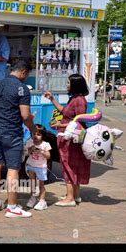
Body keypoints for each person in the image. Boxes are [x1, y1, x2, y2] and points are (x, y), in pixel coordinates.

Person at [0, 60, 38, 218]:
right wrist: (33, 128)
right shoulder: (22, 88)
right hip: (11, 132)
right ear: (23, 72)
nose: (26, 77)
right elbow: (24, 116)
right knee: (13, 169)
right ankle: (12, 207)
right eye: (27, 75)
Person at [45, 74, 90, 207]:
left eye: (69, 82)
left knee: (68, 165)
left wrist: (59, 125)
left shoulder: (79, 100)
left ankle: (70, 198)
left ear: (76, 85)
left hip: (70, 139)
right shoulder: (75, 99)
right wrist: (52, 99)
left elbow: (79, 122)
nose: (67, 84)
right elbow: (65, 112)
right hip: (65, 137)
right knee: (70, 165)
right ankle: (74, 195)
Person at [24, 124, 52, 211]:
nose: (35, 136)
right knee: (32, 183)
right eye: (34, 134)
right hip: (31, 165)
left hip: (41, 167)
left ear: (43, 135)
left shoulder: (45, 144)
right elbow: (27, 153)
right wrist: (31, 149)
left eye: (38, 134)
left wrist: (42, 151)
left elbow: (48, 156)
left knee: (41, 184)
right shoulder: (30, 142)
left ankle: (42, 201)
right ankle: (33, 197)